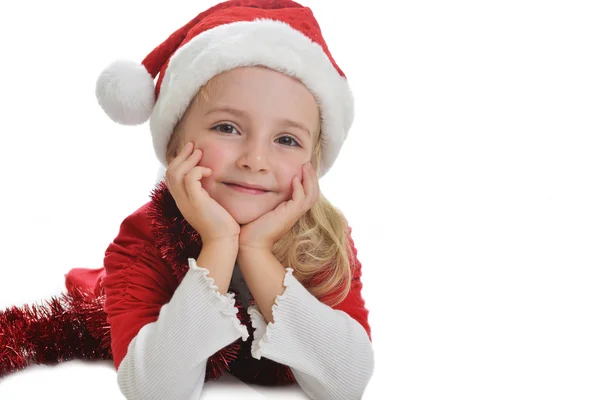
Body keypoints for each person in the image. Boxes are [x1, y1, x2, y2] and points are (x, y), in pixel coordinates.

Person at [0, 1, 374, 398]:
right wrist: (219, 244)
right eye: (227, 127)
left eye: (286, 139)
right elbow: (155, 391)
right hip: (109, 300)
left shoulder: (322, 238)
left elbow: (345, 384)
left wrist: (256, 250)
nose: (254, 161)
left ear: (312, 163)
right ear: (175, 144)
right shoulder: (143, 240)